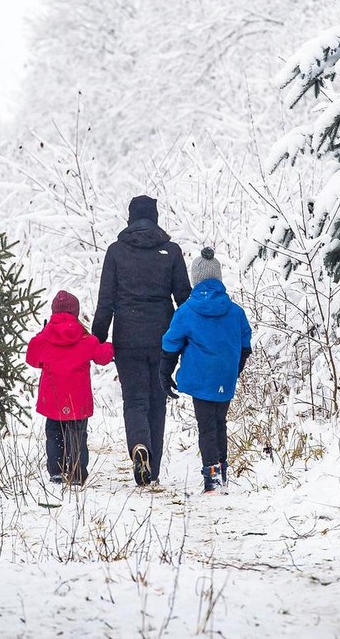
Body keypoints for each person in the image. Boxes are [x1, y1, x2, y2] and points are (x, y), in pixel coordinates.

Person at [93, 195, 191, 486]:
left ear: (130, 219)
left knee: (134, 400)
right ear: (155, 218)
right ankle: (153, 471)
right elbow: (184, 298)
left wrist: (97, 338)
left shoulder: (116, 252)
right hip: (163, 337)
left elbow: (106, 301)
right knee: (157, 401)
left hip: (128, 337)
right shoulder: (171, 251)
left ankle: (139, 446)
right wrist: (190, 336)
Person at [162, 247, 253, 494]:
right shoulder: (235, 312)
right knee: (220, 422)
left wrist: (165, 372)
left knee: (206, 426)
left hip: (199, 376)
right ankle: (222, 472)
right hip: (225, 375)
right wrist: (234, 370)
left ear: (195, 279)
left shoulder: (187, 311)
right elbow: (245, 344)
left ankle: (211, 477)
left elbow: (171, 343)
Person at [25, 290, 114, 485]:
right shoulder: (87, 340)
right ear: (75, 312)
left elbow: (32, 358)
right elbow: (103, 356)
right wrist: (112, 346)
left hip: (52, 398)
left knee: (54, 434)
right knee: (77, 435)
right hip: (77, 399)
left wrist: (42, 332)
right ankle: (77, 473)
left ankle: (56, 471)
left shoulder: (44, 339)